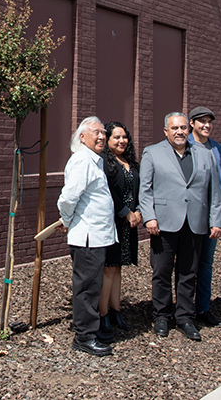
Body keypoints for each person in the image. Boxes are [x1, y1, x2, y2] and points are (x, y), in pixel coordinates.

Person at [138, 112, 221, 341]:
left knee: (188, 273)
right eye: (174, 128)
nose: (179, 132)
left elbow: (214, 191)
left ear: (189, 129)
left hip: (195, 223)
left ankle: (185, 316)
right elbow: (145, 189)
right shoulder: (153, 152)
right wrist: (149, 217)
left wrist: (216, 220)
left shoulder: (205, 155)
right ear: (166, 131)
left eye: (183, 128)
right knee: (162, 272)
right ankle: (162, 316)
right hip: (163, 223)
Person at [57, 116, 116, 356]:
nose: (102, 136)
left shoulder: (94, 161)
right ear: (82, 137)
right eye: (96, 132)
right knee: (87, 288)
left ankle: (90, 330)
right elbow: (68, 198)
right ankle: (84, 337)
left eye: (103, 132)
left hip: (97, 236)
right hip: (88, 238)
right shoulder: (82, 160)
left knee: (92, 286)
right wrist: (67, 220)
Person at [97, 121, 142, 343]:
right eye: (116, 137)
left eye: (124, 137)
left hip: (129, 224)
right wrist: (126, 212)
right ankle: (103, 314)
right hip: (113, 222)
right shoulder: (105, 162)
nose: (122, 141)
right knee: (108, 269)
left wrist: (139, 211)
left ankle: (116, 311)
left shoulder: (130, 162)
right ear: (107, 139)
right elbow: (109, 192)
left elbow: (140, 189)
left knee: (118, 269)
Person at [188, 106, 221, 326]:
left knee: (206, 265)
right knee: (186, 265)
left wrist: (218, 218)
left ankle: (203, 308)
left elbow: (220, 186)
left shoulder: (217, 148)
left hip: (211, 217)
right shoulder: (184, 147)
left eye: (209, 122)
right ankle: (183, 308)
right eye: (201, 121)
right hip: (188, 217)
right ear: (192, 123)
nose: (206, 125)